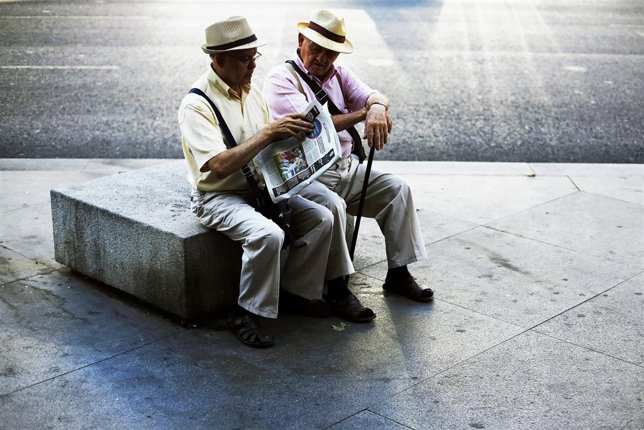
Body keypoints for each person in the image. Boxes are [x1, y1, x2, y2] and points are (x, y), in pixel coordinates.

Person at [262, 9, 433, 322]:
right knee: (334, 207)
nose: (322, 59)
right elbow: (313, 127)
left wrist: (378, 107)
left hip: (343, 167)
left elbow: (372, 95)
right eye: (316, 49)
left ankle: (399, 272)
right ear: (301, 41)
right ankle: (338, 288)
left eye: (330, 53)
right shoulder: (281, 79)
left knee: (398, 190)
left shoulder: (340, 74)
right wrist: (363, 114)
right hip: (304, 176)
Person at [178, 16, 336, 349]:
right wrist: (267, 134)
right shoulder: (197, 104)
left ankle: (296, 293)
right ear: (219, 60)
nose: (253, 65)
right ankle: (245, 313)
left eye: (254, 57)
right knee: (268, 234)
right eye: (245, 59)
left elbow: (269, 149)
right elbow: (219, 166)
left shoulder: (252, 91)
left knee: (323, 218)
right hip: (217, 196)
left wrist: (297, 148)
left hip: (260, 187)